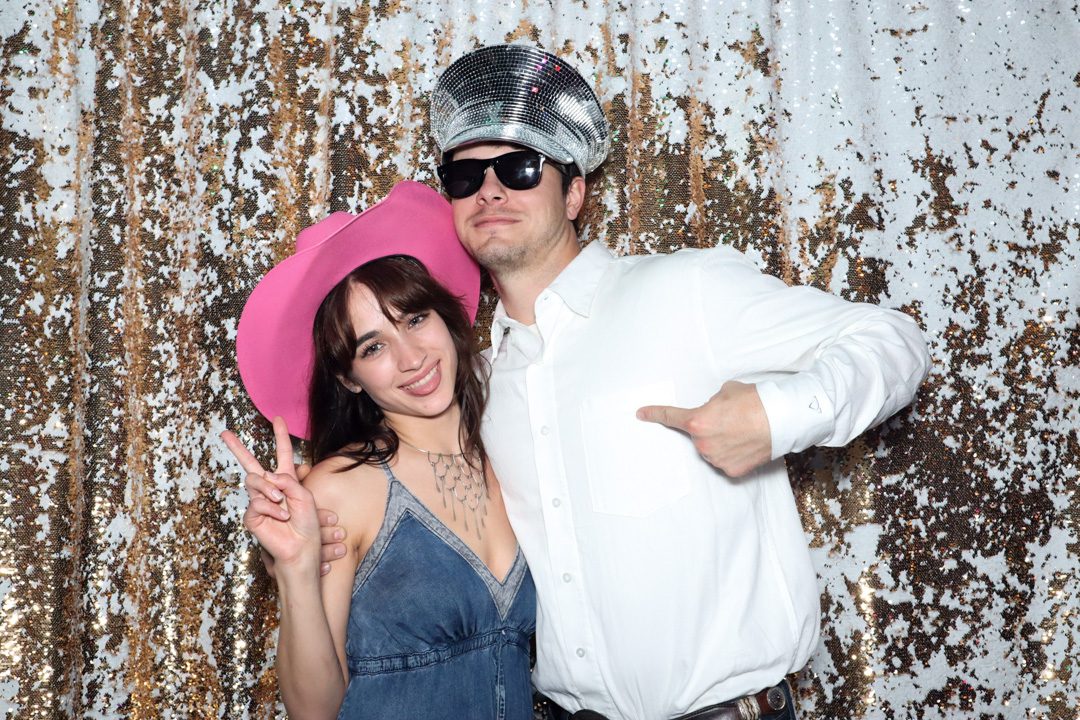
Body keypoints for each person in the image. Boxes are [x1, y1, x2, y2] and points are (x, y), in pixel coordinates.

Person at [308, 45, 928, 720]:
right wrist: (314, 540)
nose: (490, 191)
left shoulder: (684, 292)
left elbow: (892, 341)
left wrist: (775, 416)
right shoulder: (477, 387)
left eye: (519, 168)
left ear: (574, 193)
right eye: (464, 177)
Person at [221, 181, 536, 720]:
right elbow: (314, 710)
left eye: (415, 319)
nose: (411, 358)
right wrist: (296, 569)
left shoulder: (513, 449)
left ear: (446, 318)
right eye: (373, 347)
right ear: (349, 378)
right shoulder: (342, 488)